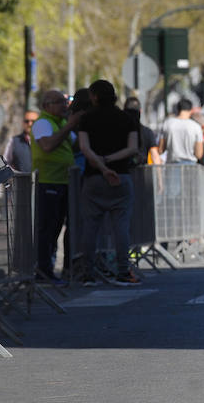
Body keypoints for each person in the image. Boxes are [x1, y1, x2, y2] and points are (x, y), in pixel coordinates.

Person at [76, 80, 140, 286]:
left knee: (91, 227)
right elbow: (132, 149)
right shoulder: (127, 118)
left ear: (94, 97)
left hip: (94, 177)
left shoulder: (86, 119)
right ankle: (123, 271)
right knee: (121, 226)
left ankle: (88, 274)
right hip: (121, 176)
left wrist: (101, 165)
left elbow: (85, 148)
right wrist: (111, 161)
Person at [31, 90, 84, 283]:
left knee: (59, 228)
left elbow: (76, 146)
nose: (64, 106)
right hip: (48, 182)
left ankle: (60, 269)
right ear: (46, 105)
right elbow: (47, 146)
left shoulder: (61, 123)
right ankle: (43, 271)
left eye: (65, 102)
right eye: (59, 102)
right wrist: (69, 125)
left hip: (64, 181)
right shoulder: (43, 123)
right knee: (48, 229)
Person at [158, 98, 203, 164]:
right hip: (190, 166)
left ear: (178, 109)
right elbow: (199, 154)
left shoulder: (167, 124)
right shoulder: (196, 127)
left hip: (171, 165)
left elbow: (160, 150)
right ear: (191, 110)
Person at [124, 97, 161, 166]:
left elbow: (155, 156)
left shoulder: (147, 132)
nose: (133, 115)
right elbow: (155, 157)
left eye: (135, 112)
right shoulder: (147, 132)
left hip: (139, 173)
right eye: (130, 111)